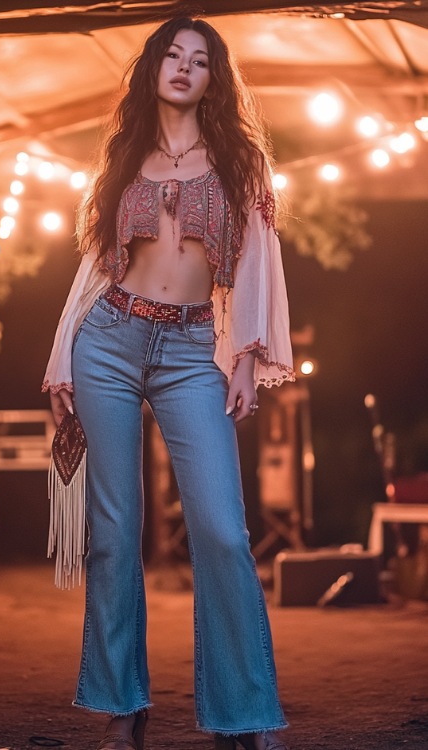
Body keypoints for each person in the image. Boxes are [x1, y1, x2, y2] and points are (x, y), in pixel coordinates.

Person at [43, 15, 294, 750]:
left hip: (191, 350)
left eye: (202, 60)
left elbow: (257, 263)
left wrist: (244, 355)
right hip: (109, 341)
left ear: (215, 79)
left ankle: (243, 713)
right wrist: (64, 352)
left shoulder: (239, 160)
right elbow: (94, 266)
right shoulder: (123, 156)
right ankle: (125, 705)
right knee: (115, 536)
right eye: (173, 55)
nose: (184, 68)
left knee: (221, 531)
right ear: (153, 68)